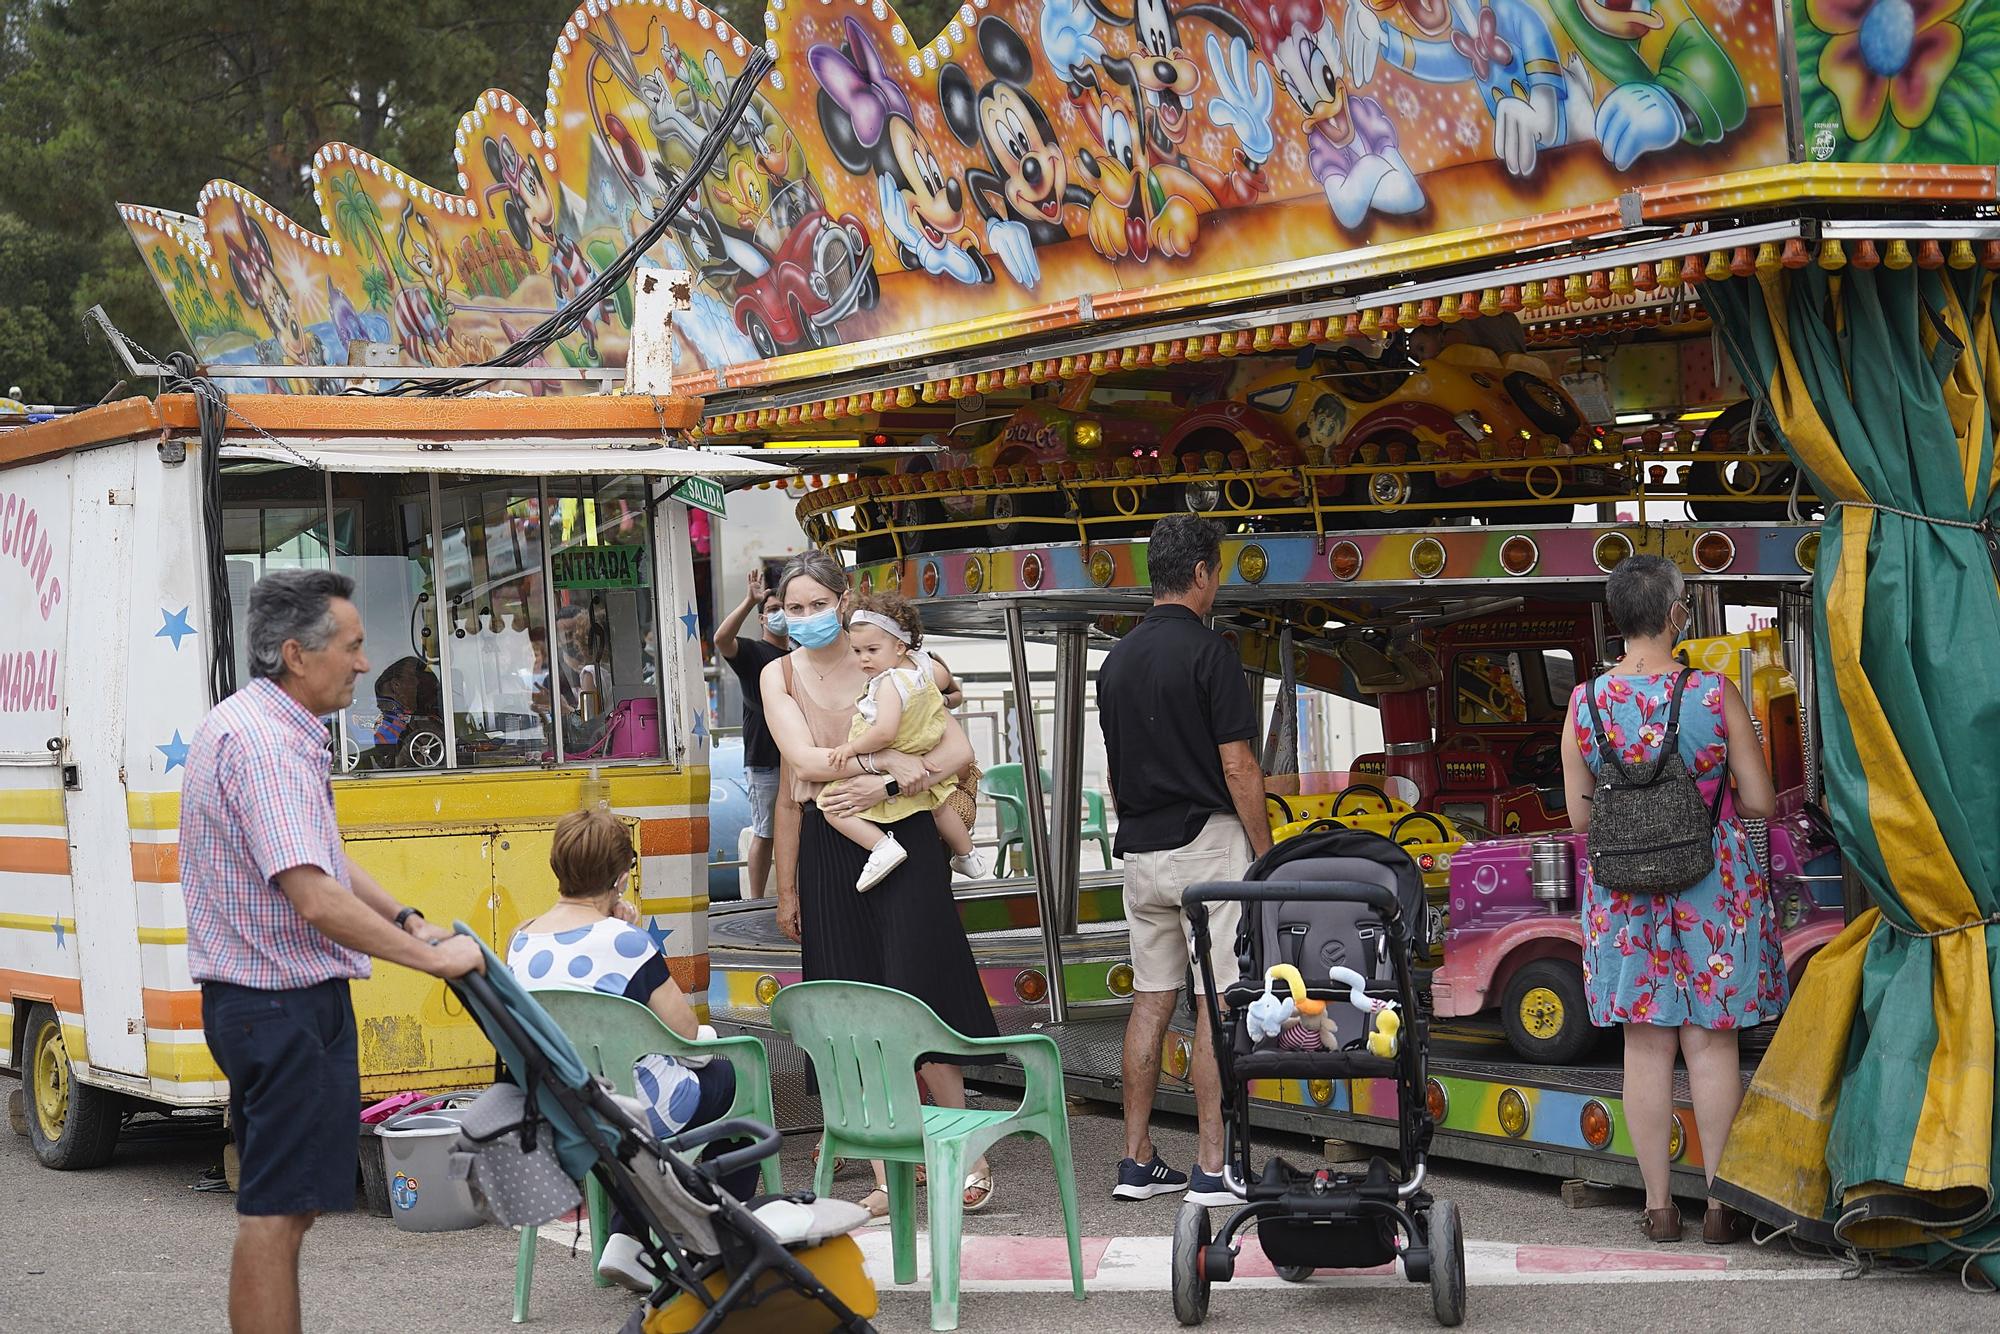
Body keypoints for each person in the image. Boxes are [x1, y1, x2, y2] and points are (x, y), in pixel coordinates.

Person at [180, 568, 484, 1334]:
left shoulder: (257, 725)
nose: (361, 663)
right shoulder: (269, 749)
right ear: (295, 653)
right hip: (280, 1008)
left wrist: (407, 917)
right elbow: (314, 898)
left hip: (262, 1005)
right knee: (277, 1216)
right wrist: (434, 961)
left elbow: (321, 858)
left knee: (287, 1209)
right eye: (350, 647)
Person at [760, 550, 1002, 1219]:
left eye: (816, 604)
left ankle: (967, 1152)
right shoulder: (778, 675)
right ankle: (886, 1169)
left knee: (921, 986)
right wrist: (886, 759)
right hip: (832, 846)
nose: (804, 618)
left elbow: (957, 752)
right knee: (851, 1001)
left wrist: (889, 774)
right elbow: (799, 764)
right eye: (793, 607)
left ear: (843, 601)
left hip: (906, 834)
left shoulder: (890, 662)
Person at [1559, 555, 1785, 1245]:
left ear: (1616, 618)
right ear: (1675, 613)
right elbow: (1761, 802)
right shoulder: (1714, 695)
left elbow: (1578, 817)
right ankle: (1721, 1205)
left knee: (1646, 1047)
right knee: (1711, 1046)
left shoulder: (1585, 703)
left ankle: (1659, 1206)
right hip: (1711, 885)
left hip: (1625, 896)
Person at [1096, 514, 1272, 1207]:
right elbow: (1239, 765)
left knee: (1149, 1003)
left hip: (1140, 851)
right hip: (1208, 846)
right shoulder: (1210, 653)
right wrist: (1264, 852)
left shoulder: (1117, 660)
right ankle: (1210, 1167)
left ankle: (1135, 1161)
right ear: (1202, 573)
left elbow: (1114, 772)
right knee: (1214, 1003)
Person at [507, 807, 756, 1290]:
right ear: (622, 877)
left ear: (558, 867)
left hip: (557, 1114)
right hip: (628, 1112)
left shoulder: (521, 939)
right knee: (731, 1083)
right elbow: (686, 1038)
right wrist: (632, 934)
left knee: (634, 1118)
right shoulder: (626, 942)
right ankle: (714, 1244)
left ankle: (630, 1235)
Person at [818, 591, 988, 889]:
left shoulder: (888, 683)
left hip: (898, 754)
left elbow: (884, 732)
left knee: (832, 807)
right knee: (939, 805)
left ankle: (882, 847)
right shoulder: (921, 668)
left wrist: (851, 748)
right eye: (857, 651)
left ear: (899, 646)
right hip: (926, 751)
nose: (864, 659)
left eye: (871, 649)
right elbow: (946, 683)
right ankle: (968, 855)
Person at [715, 569, 789, 899]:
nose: (781, 615)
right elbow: (721, 640)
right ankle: (756, 900)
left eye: (787, 607)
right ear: (762, 619)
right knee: (765, 831)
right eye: (773, 610)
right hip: (764, 760)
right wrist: (749, 601)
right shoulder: (753, 653)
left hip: (798, 760)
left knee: (796, 831)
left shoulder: (801, 653)